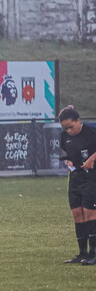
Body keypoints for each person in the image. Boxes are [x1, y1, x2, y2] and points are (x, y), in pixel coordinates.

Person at [57, 105, 96, 265]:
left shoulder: (91, 133)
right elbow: (67, 153)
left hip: (91, 178)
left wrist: (92, 158)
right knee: (77, 213)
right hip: (75, 178)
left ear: (78, 121)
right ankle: (82, 253)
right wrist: (68, 161)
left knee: (90, 214)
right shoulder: (64, 136)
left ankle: (94, 253)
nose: (69, 131)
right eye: (65, 128)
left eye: (71, 127)